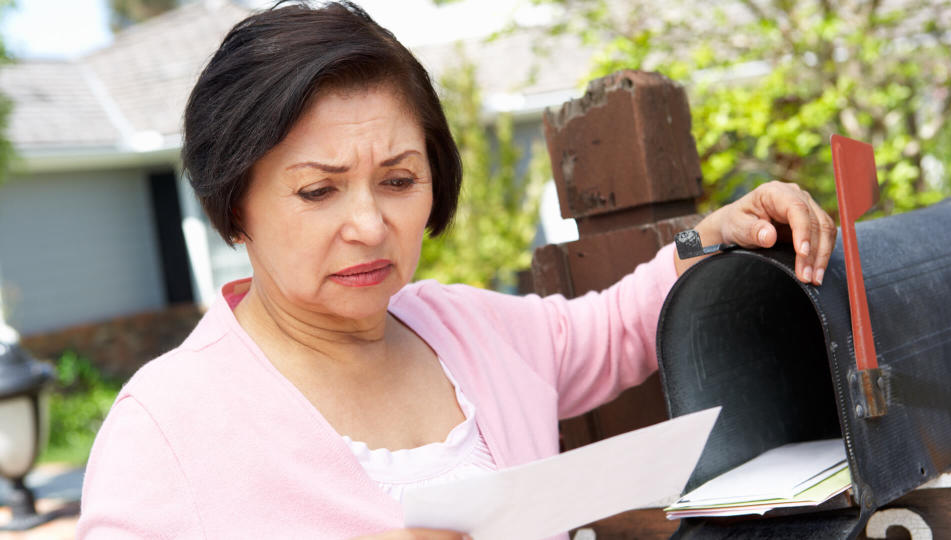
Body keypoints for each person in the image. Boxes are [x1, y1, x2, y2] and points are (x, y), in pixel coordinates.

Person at [76, 2, 836, 539]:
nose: (371, 224)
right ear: (232, 204)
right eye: (318, 190)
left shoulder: (469, 329)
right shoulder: (167, 424)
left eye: (399, 180)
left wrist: (716, 235)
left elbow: (608, 330)